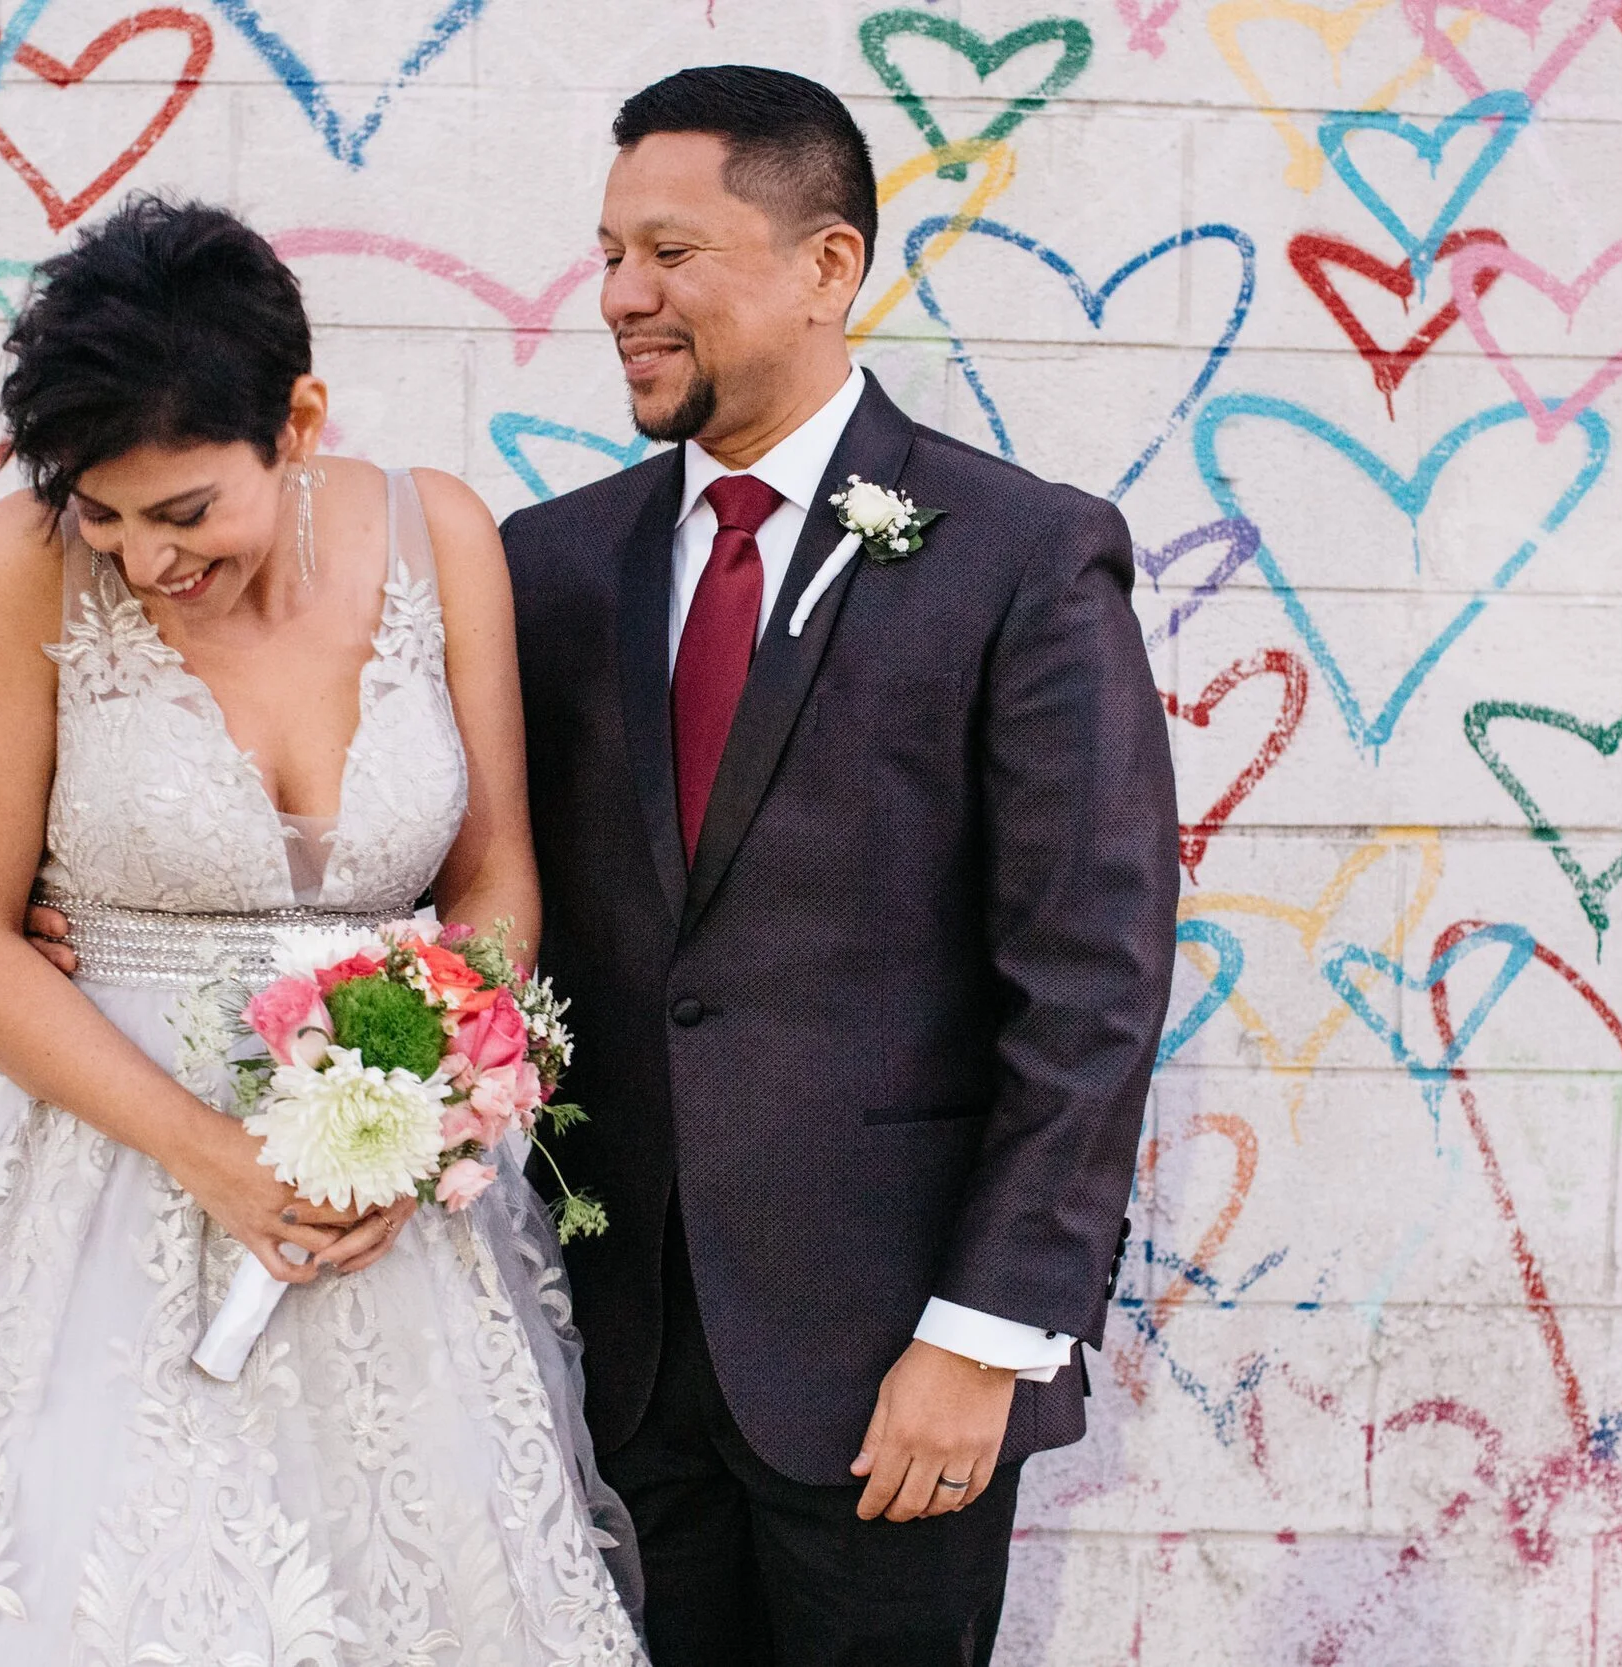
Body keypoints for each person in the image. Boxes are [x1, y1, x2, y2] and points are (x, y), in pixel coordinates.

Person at [0, 198, 644, 1666]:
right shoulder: (27, 567)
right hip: (91, 1186)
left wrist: (429, 1107)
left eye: (186, 510)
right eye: (105, 512)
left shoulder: (441, 535)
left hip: (383, 1197)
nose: (145, 560)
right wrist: (207, 1152)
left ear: (297, 420)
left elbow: (495, 877)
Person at [499, 66, 1181, 1665]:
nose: (622, 298)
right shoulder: (543, 567)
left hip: (892, 1378)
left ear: (827, 268)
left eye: (671, 252)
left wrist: (987, 1335)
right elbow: (446, 863)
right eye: (608, 255)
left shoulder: (1022, 555)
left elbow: (1090, 977)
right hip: (613, 1370)